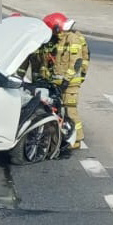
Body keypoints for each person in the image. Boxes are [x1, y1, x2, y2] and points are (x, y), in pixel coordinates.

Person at [41, 12, 89, 153]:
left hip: (70, 83)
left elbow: (76, 62)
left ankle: (78, 139)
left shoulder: (72, 39)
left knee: (70, 110)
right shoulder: (61, 39)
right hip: (61, 82)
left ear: (57, 27)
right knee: (61, 111)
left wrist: (66, 80)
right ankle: (67, 135)